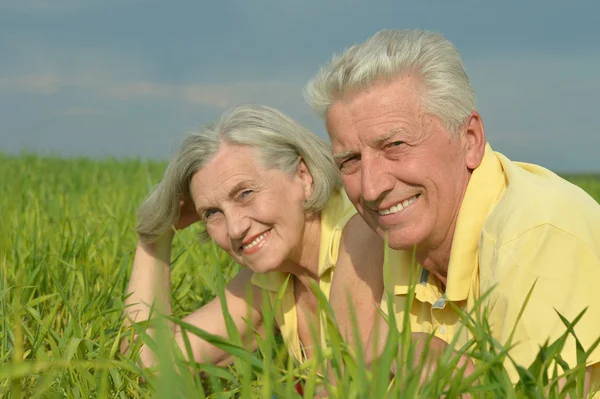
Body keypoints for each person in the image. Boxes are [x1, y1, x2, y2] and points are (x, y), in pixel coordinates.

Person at [304, 29, 600, 394]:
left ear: (470, 140)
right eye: (349, 160)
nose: (371, 187)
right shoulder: (395, 240)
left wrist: (426, 355)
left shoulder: (538, 233)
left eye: (395, 145)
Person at [121, 104, 384, 379]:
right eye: (212, 213)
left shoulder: (361, 237)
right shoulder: (275, 277)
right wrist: (156, 236)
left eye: (245, 193)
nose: (235, 228)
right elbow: (151, 364)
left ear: (303, 176)